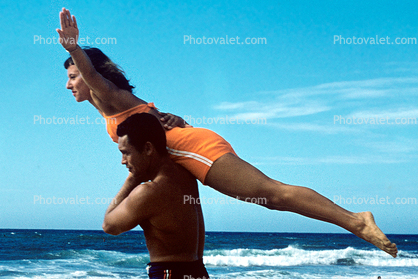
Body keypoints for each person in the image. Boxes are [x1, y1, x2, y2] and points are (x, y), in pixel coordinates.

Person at [57, 8, 398, 258]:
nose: (70, 83)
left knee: (270, 195)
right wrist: (171, 118)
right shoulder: (107, 106)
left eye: (74, 76)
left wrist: (75, 49)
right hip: (189, 144)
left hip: (195, 149)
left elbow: (94, 78)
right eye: (70, 77)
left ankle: (355, 220)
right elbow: (153, 114)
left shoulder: (107, 94)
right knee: (263, 197)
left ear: (91, 74)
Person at [102, 113, 209, 279]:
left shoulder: (149, 192)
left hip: (169, 274)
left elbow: (109, 226)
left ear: (148, 149)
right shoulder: (186, 175)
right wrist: (183, 123)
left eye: (126, 153)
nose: (123, 161)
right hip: (199, 273)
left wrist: (133, 179)